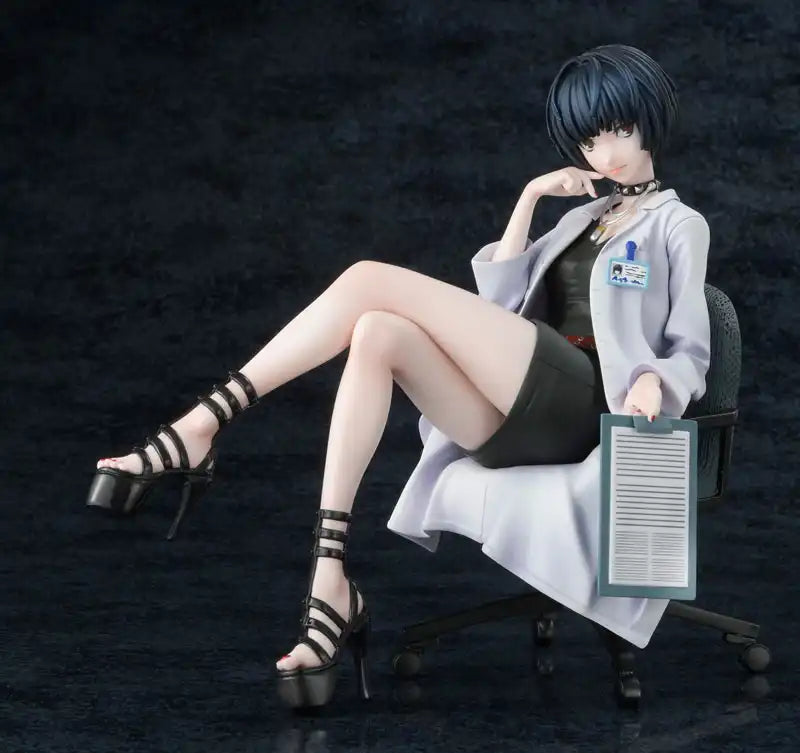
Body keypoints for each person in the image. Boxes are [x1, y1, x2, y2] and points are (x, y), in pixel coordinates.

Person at [88, 44, 711, 709]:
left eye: (618, 130)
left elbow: (692, 347)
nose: (605, 153)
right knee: (376, 333)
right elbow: (500, 304)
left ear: (649, 119)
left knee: (367, 279)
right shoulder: (581, 219)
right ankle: (330, 580)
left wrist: (656, 383)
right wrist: (530, 198)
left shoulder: (679, 224)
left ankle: (199, 427)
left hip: (587, 404)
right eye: (589, 141)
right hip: (524, 406)